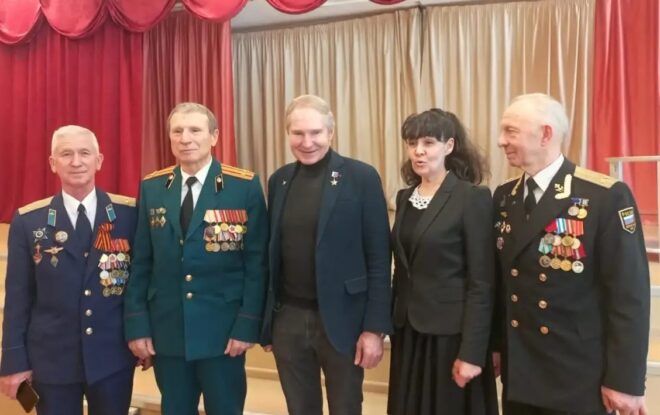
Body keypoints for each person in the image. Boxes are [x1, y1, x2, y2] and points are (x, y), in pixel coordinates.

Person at [492, 93, 650, 414]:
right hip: (520, 370)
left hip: (577, 374)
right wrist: (494, 345)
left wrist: (625, 380)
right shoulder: (505, 196)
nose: (500, 141)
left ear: (545, 134)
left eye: (511, 131)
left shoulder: (604, 196)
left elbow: (629, 296)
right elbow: (500, 284)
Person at [123, 102, 268, 415]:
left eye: (195, 130)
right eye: (177, 131)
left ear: (214, 136)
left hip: (223, 332)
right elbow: (142, 262)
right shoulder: (153, 187)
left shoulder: (243, 186)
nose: (185, 138)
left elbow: (256, 265)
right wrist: (137, 325)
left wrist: (247, 325)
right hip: (168, 331)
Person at [260, 94, 392, 414]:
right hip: (289, 320)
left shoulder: (361, 178)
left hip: (345, 321)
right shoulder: (279, 180)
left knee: (345, 408)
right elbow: (271, 256)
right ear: (288, 134)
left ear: (330, 133)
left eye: (315, 132)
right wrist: (268, 324)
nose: (307, 142)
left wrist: (374, 329)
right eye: (298, 133)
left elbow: (379, 258)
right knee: (299, 408)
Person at [0, 125, 137, 415]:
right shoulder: (29, 222)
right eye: (66, 154)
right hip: (52, 361)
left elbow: (141, 284)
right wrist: (13, 360)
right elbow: (17, 299)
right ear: (53, 163)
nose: (76, 162)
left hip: (112, 358)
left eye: (84, 153)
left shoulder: (128, 215)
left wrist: (142, 335)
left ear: (99, 160)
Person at [387, 109, 498, 415]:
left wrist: (473, 352)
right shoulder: (405, 197)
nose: (418, 151)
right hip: (408, 331)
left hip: (450, 336)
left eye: (428, 142)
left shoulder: (472, 197)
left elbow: (482, 283)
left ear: (449, 146)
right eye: (412, 143)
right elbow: (403, 269)